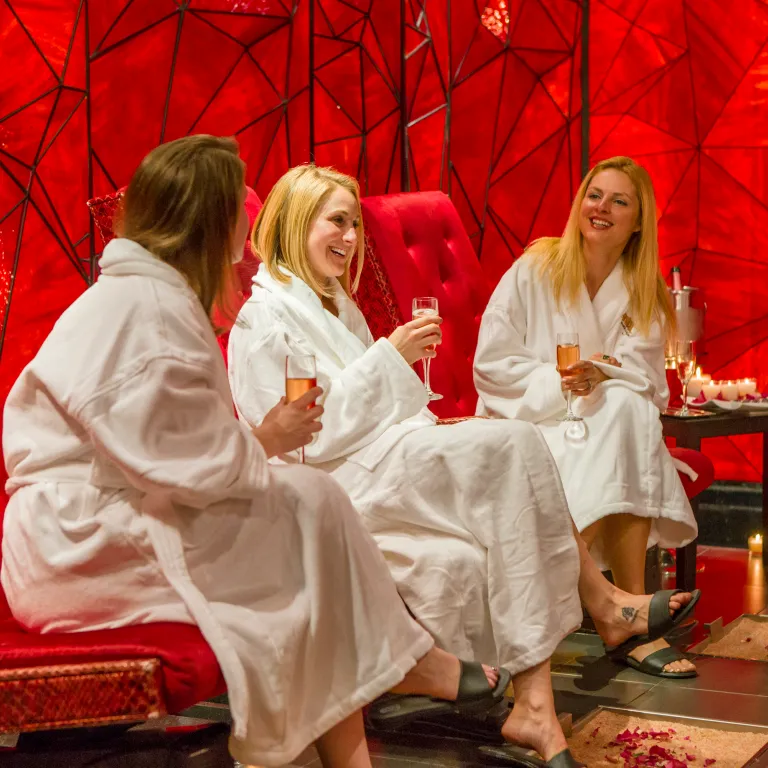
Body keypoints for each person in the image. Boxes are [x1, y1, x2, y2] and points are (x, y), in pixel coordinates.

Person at [0, 136, 515, 768]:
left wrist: (258, 447)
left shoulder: (148, 299)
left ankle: (383, 693)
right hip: (81, 548)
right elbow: (190, 463)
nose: (247, 255)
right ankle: (399, 665)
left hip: (99, 523)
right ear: (205, 230)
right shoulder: (149, 310)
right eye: (240, 236)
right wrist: (264, 443)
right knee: (306, 521)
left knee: (310, 507)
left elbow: (177, 450)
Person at [227, 163, 699, 765]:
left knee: (512, 457)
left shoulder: (331, 306)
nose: (349, 238)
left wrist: (400, 383)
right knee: (514, 444)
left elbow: (365, 406)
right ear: (296, 221)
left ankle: (536, 699)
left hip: (382, 459)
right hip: (335, 483)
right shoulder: (262, 319)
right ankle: (602, 606)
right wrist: (389, 359)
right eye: (336, 222)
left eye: (354, 225)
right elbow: (304, 439)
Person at [473, 156, 699, 679]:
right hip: (530, 418)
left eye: (619, 201)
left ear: (638, 221)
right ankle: (625, 615)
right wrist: (562, 382)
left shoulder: (644, 292)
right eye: (594, 195)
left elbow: (646, 380)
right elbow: (492, 363)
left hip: (599, 419)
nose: (601, 208)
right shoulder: (536, 268)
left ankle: (613, 609)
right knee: (627, 421)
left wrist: (601, 375)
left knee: (628, 412)